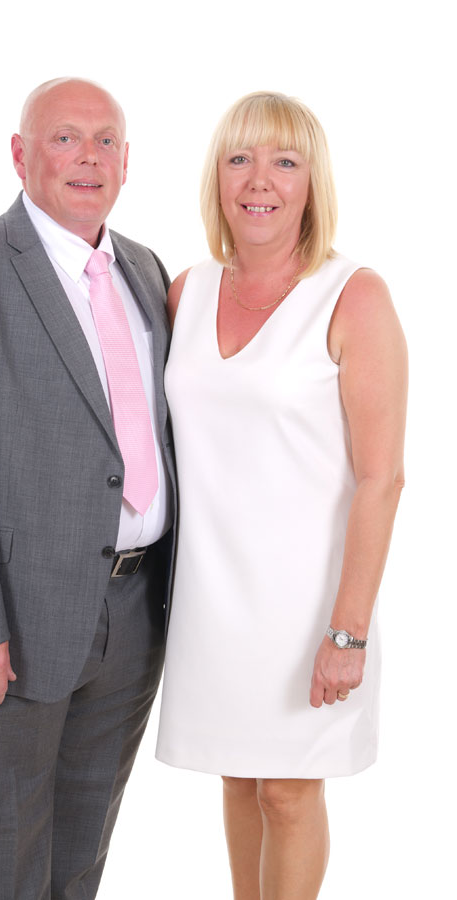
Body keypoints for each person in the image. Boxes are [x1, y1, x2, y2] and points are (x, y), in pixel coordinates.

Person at [0, 77, 175, 900]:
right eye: (64, 138)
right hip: (10, 626)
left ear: (126, 162)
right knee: (5, 861)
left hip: (135, 612)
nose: (88, 157)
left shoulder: (144, 270)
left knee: (82, 854)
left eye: (105, 140)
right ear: (20, 156)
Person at [156, 91, 407, 899]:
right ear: (216, 178)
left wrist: (348, 631)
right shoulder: (185, 290)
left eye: (283, 161)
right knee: (237, 779)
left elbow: (381, 478)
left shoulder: (352, 295)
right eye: (239, 158)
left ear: (310, 183)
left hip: (308, 606)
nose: (258, 179)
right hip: (209, 597)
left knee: (288, 792)